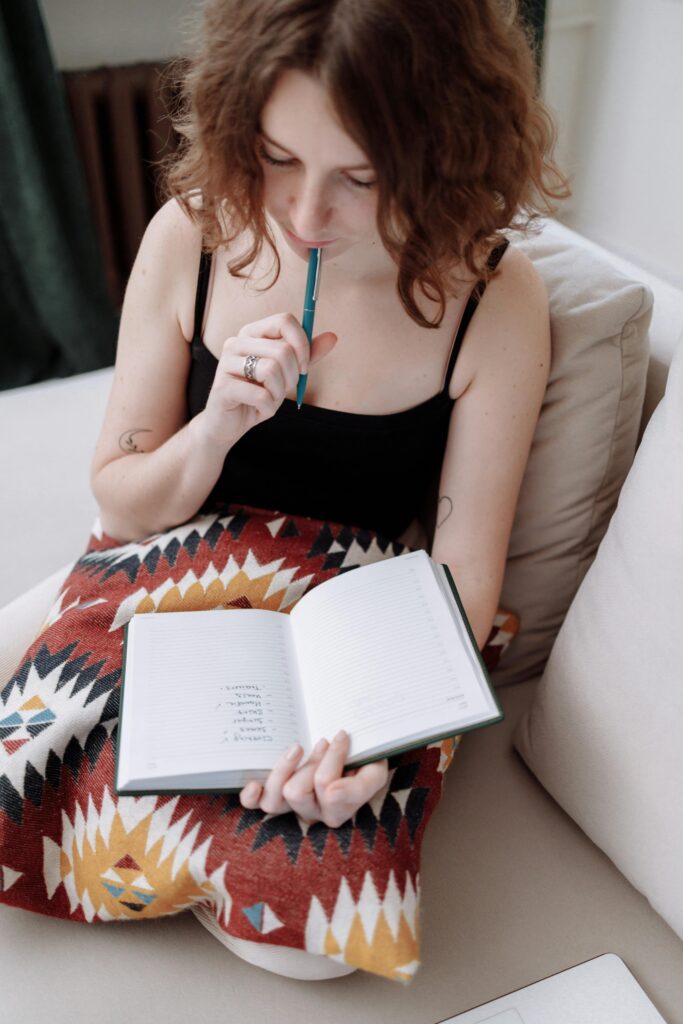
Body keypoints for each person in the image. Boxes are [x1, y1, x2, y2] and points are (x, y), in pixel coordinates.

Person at [89, 0, 570, 977]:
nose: (305, 217)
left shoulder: (491, 298)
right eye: (274, 157)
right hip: (166, 570)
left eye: (359, 177)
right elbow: (120, 502)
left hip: (352, 631)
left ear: (443, 152)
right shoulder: (191, 238)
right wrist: (218, 422)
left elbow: (461, 571)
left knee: (313, 951)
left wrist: (380, 750)